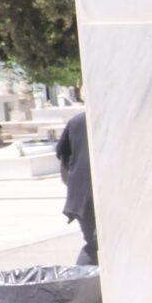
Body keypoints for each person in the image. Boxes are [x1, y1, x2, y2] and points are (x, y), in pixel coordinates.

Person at [54, 109, 97, 264]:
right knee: (96, 246)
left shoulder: (77, 121)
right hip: (92, 196)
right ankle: (80, 278)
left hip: (81, 198)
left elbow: (63, 161)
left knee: (94, 245)